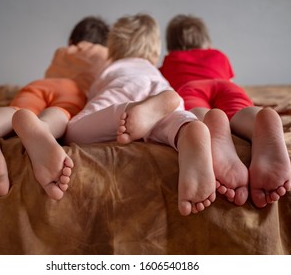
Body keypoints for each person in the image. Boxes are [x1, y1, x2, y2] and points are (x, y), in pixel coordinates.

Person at [56, 13, 216, 216]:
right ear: (155, 51)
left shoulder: (112, 68)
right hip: (160, 89)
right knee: (167, 122)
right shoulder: (154, 70)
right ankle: (187, 129)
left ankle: (127, 112)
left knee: (74, 131)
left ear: (113, 48)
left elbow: (90, 99)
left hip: (122, 86)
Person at [0, 16, 110, 200]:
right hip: (74, 90)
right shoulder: (106, 54)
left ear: (72, 40)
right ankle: (43, 127)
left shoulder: (63, 51)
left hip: (40, 84)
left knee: (17, 108)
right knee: (62, 111)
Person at [159, 14, 291, 208]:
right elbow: (229, 81)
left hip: (191, 87)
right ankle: (258, 121)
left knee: (197, 111)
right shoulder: (218, 56)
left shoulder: (169, 62)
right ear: (207, 42)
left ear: (170, 46)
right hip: (226, 87)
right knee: (239, 111)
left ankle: (211, 128)